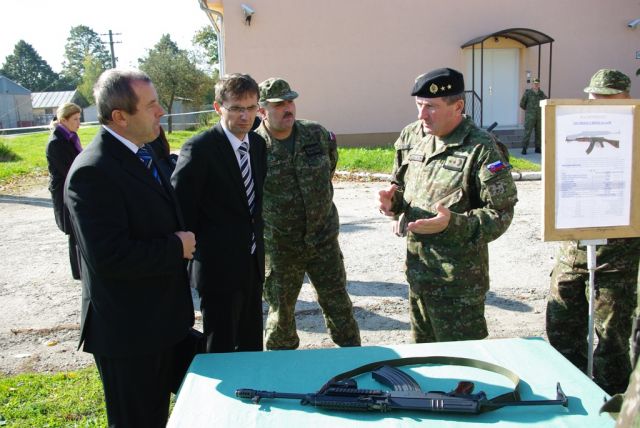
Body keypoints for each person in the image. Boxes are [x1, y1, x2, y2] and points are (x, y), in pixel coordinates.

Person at [64, 68, 197, 427]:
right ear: (120, 116)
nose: (160, 112)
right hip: (129, 334)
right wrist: (176, 247)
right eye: (151, 105)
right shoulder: (93, 171)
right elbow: (109, 257)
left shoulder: (145, 151)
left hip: (165, 323)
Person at [378, 67, 517, 343]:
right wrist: (392, 204)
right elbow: (403, 187)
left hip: (458, 285)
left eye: (431, 106)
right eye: (419, 105)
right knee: (424, 359)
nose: (422, 115)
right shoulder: (415, 137)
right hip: (418, 273)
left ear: (458, 106)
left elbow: (501, 213)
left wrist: (452, 224)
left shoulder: (482, 147)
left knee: (461, 362)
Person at [545, 68, 640, 395]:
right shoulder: (571, 126)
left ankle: (612, 406)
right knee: (561, 333)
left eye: (609, 99)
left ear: (627, 99)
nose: (599, 104)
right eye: (594, 98)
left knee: (612, 343)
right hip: (572, 255)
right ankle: (572, 396)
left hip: (617, 261)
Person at [255, 77, 361, 350]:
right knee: (281, 313)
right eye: (279, 104)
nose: (287, 108)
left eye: (290, 101)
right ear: (262, 110)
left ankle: (353, 357)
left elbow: (329, 168)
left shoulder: (316, 133)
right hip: (281, 245)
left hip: (323, 240)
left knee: (338, 304)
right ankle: (282, 365)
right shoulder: (254, 146)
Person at [171, 73, 267, 353]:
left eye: (251, 108)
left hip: (252, 264)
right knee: (220, 348)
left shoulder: (257, 145)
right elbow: (181, 209)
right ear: (218, 107)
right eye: (236, 108)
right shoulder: (199, 148)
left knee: (252, 345)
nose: (245, 116)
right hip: (217, 269)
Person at [45, 102, 83, 280]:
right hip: (63, 190)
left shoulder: (70, 137)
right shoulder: (56, 142)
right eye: (75, 119)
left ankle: (81, 269)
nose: (78, 123)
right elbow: (67, 169)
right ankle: (78, 271)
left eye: (79, 118)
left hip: (71, 187)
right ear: (63, 120)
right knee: (72, 228)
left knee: (78, 227)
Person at [519, 77, 547, 154]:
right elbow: (522, 104)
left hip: (539, 116)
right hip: (530, 117)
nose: (536, 85)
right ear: (532, 84)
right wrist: (529, 111)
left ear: (539, 84)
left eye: (537, 84)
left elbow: (546, 102)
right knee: (527, 132)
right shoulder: (528, 93)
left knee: (539, 132)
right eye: (535, 83)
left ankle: (538, 148)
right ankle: (524, 148)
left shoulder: (542, 94)